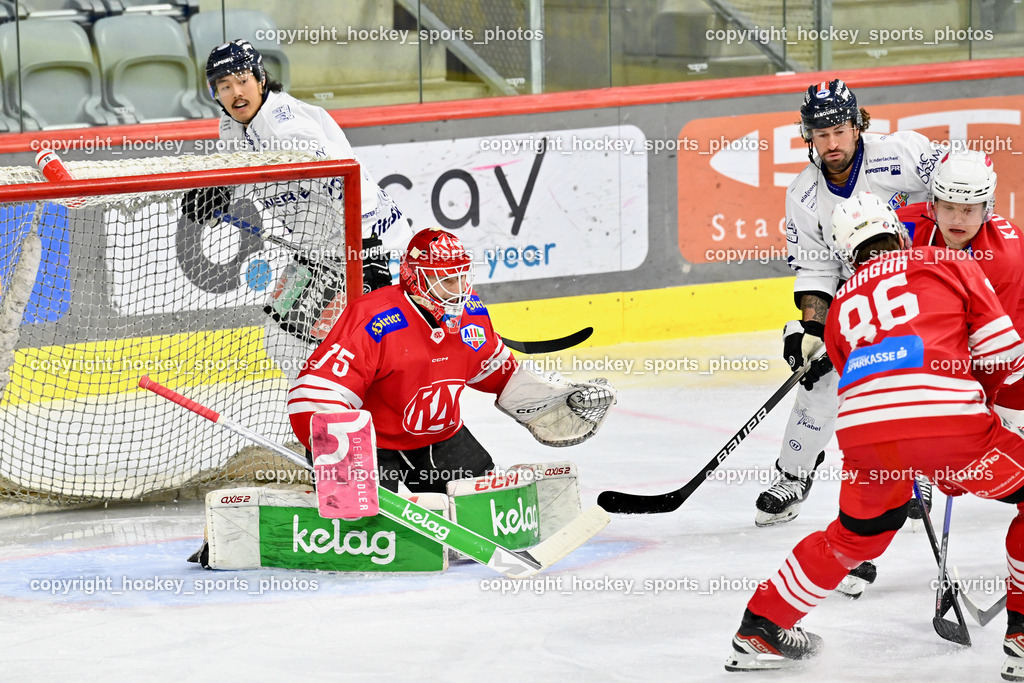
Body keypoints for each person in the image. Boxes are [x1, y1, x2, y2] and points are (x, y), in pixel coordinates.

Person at [725, 192, 1024, 678]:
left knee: (856, 538)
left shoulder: (841, 306)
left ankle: (761, 627)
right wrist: (978, 434)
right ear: (900, 232)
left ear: (848, 254)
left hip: (866, 439)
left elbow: (867, 392)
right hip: (952, 426)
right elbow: (1001, 356)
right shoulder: (944, 260)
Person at [286, 227, 616, 493]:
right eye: (446, 280)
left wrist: (554, 398)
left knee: (486, 508)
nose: (458, 289)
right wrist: (344, 457)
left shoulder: (472, 314)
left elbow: (498, 372)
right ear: (415, 279)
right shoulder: (374, 318)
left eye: (461, 276)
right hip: (373, 448)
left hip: (440, 441)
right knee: (360, 521)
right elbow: (313, 394)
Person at [755, 78, 942, 528]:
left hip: (921, 283)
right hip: (855, 293)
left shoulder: (902, 153)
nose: (832, 142)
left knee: (916, 372)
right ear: (808, 137)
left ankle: (919, 470)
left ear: (858, 125)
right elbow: (816, 270)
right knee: (818, 379)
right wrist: (813, 331)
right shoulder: (802, 194)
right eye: (822, 134)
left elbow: (959, 192)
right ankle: (793, 477)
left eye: (840, 130)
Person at [183, 39, 412, 379]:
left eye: (243, 80)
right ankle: (327, 420)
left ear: (261, 79)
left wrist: (369, 249)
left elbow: (349, 176)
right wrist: (221, 191)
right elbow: (256, 172)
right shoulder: (232, 126)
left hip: (366, 250)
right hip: (317, 251)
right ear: (214, 93)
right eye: (224, 85)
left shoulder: (287, 130)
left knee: (361, 349)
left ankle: (352, 419)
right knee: (283, 342)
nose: (236, 92)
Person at [902, 149, 1024, 429]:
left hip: (1012, 372)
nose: (957, 220)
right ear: (933, 203)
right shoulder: (904, 225)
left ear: (987, 209)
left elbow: (997, 355)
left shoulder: (1004, 260)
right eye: (948, 207)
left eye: (968, 209)